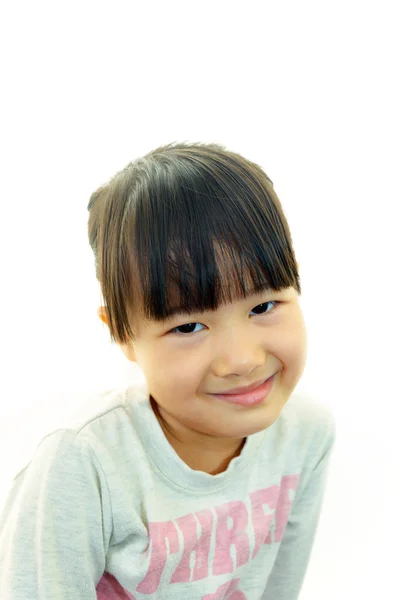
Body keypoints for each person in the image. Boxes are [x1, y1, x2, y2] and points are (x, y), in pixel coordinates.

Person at [0, 141, 336, 599]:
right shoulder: (82, 465)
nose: (243, 360)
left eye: (264, 305)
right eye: (189, 325)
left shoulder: (305, 434)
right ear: (121, 333)